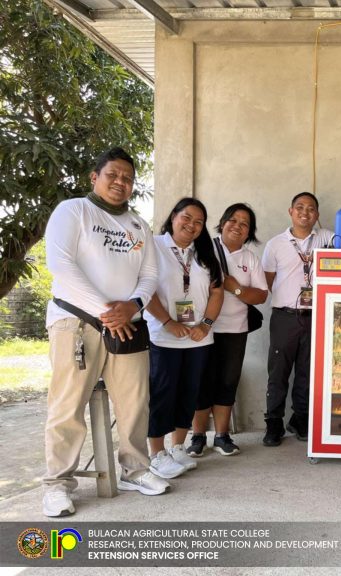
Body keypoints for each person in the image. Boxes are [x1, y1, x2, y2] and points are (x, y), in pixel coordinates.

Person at [42, 147, 168, 517]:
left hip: (128, 326)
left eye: (127, 178)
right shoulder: (73, 211)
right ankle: (57, 484)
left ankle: (136, 470)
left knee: (134, 403)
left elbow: (150, 275)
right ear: (94, 177)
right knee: (67, 405)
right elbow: (60, 264)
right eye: (113, 174)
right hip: (76, 322)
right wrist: (106, 311)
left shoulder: (138, 226)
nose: (120, 182)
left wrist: (133, 306)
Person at [145, 198, 223, 478]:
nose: (191, 225)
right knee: (163, 393)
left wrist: (206, 324)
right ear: (174, 216)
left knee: (188, 394)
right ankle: (156, 453)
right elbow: (144, 289)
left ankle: (178, 447)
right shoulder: (153, 245)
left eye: (199, 222)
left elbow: (217, 291)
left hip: (198, 338)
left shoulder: (203, 252)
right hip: (164, 338)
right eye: (186, 218)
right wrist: (167, 322)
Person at [188, 204, 268, 457]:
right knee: (201, 382)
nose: (237, 226)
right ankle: (197, 436)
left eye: (244, 224)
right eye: (233, 220)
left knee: (226, 382)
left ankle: (222, 436)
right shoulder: (202, 249)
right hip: (202, 329)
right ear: (222, 223)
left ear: (249, 233)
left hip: (235, 330)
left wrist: (236, 289)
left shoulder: (250, 259)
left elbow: (261, 296)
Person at [261, 192, 333, 446]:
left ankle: (300, 418)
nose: (305, 212)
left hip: (316, 316)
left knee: (308, 370)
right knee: (278, 371)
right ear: (290, 211)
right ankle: (274, 423)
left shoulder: (326, 238)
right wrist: (288, 301)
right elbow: (268, 283)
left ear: (317, 215)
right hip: (285, 317)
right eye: (300, 207)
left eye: (311, 208)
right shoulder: (275, 244)